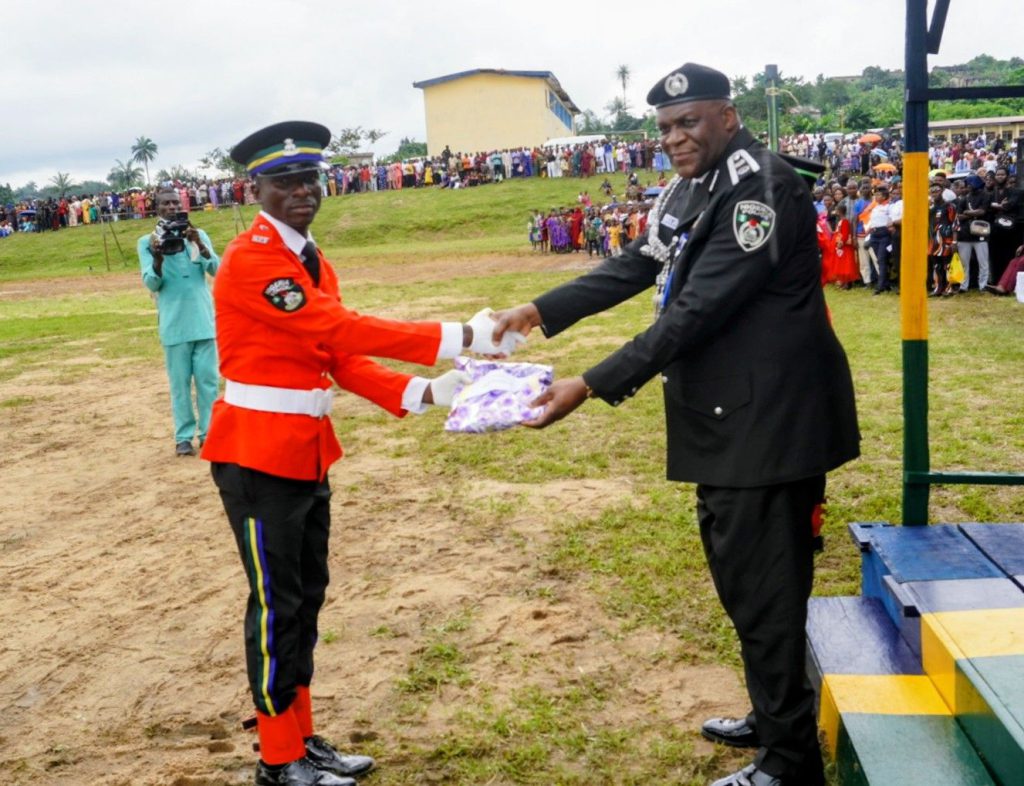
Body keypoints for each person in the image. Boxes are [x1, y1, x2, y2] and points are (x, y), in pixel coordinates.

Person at [490, 63, 860, 786]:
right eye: (663, 128)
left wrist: (590, 385)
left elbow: (695, 313)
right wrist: (539, 312)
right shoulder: (697, 183)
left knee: (765, 588)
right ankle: (774, 713)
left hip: (767, 426)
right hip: (735, 422)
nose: (674, 138)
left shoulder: (760, 186)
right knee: (749, 581)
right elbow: (636, 264)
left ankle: (788, 764)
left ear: (727, 115)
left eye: (688, 122)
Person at [200, 121, 521, 786]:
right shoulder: (252, 260)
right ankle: (277, 757)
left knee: (305, 597)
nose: (299, 192)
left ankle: (301, 738)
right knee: (276, 606)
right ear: (252, 188)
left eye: (308, 179)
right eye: (282, 182)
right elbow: (337, 328)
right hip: (257, 455)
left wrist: (425, 392)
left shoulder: (310, 259)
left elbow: (337, 357)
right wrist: (462, 334)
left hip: (303, 451)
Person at [139, 187, 221, 456]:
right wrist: (158, 257)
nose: (173, 207)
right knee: (180, 385)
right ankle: (183, 437)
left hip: (203, 321)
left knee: (208, 382)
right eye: (167, 204)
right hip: (174, 325)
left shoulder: (198, 236)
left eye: (176, 202)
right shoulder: (147, 242)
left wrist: (200, 244)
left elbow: (217, 270)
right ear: (157, 208)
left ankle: (210, 433)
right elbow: (152, 282)